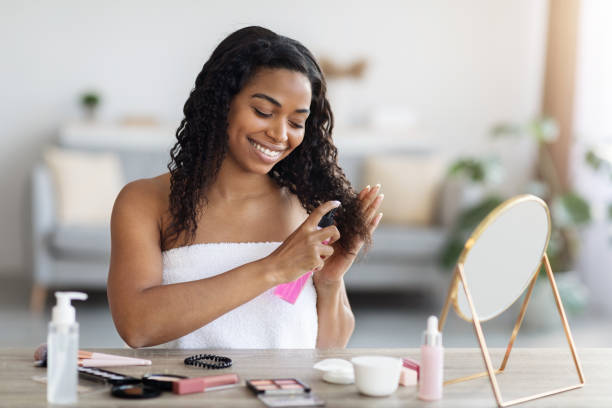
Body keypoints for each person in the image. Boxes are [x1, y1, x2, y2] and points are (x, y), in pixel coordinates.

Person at [107, 26, 384, 349]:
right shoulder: (145, 202)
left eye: (296, 123)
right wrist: (275, 268)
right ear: (222, 103)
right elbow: (136, 326)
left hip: (287, 395)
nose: (281, 134)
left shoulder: (307, 207)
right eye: (264, 112)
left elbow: (328, 349)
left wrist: (329, 282)